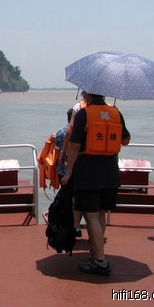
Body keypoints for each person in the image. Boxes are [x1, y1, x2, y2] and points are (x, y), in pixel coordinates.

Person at [61, 93, 131, 275]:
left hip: (89, 172)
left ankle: (100, 260)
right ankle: (96, 251)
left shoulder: (84, 114)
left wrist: (68, 173)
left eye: (84, 92)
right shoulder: (116, 113)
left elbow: (74, 146)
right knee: (100, 213)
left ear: (88, 94)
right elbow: (125, 140)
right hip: (111, 172)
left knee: (90, 215)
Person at [55, 107, 83, 237]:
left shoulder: (61, 132)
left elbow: (57, 151)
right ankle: (76, 226)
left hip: (63, 170)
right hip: (78, 170)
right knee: (76, 198)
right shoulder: (82, 133)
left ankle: (65, 224)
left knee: (66, 197)